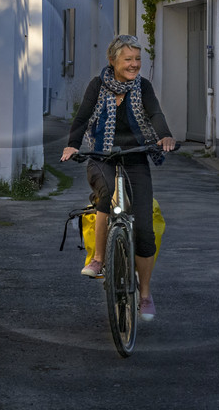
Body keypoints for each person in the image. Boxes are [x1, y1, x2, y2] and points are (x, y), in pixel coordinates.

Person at [61, 34, 176, 321]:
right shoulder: (97, 86)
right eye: (129, 59)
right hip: (102, 156)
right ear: (112, 60)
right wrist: (73, 143)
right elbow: (83, 117)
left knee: (145, 230)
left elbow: (155, 114)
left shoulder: (143, 87)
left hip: (136, 156)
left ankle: (145, 295)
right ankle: (99, 258)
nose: (135, 64)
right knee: (106, 192)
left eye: (138, 59)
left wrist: (164, 136)